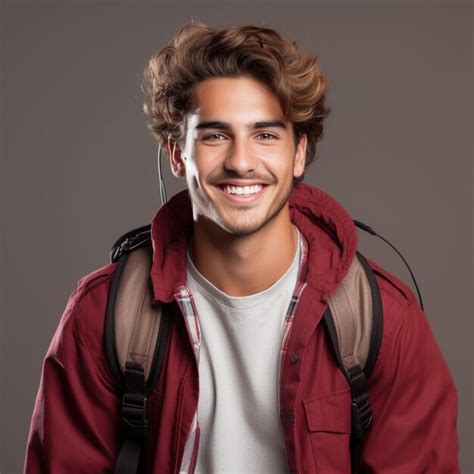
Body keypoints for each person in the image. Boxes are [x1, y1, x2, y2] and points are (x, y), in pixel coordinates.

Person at [24, 21, 460, 473]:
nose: (240, 161)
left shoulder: (385, 322)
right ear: (177, 155)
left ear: (298, 154)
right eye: (214, 135)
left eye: (266, 135)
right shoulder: (103, 316)